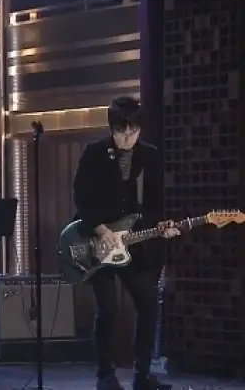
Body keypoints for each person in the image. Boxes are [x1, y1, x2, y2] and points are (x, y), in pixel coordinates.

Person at [73, 96, 178, 390]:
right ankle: (105, 374)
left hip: (131, 241)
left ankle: (142, 374)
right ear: (112, 128)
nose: (128, 137)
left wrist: (161, 224)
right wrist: (99, 228)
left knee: (148, 303)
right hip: (96, 240)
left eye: (133, 131)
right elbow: (80, 195)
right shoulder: (94, 152)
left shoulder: (150, 155)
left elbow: (154, 200)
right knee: (108, 308)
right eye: (122, 131)